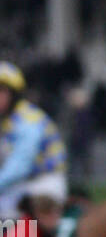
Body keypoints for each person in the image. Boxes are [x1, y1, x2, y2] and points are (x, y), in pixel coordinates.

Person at [0, 62, 68, 221]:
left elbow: (19, 167)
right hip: (21, 184)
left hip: (43, 184)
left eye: (1, 91)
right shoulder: (6, 120)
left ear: (14, 94)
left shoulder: (27, 120)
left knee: (7, 213)